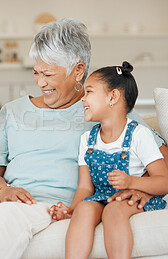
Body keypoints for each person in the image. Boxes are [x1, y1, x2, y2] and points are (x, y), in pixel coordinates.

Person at [0, 18, 168, 259]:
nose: (40, 82)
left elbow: (161, 162)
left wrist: (143, 190)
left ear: (78, 71)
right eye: (36, 72)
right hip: (6, 197)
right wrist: (2, 191)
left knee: (7, 217)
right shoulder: (12, 111)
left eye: (48, 74)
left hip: (47, 204)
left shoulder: (105, 110)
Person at [50, 61, 168, 259]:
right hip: (102, 197)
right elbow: (85, 189)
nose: (83, 99)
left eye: (89, 92)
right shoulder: (87, 140)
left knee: (113, 210)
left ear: (112, 97)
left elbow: (164, 181)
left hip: (133, 197)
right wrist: (72, 210)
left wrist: (132, 182)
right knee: (85, 209)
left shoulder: (139, 135)